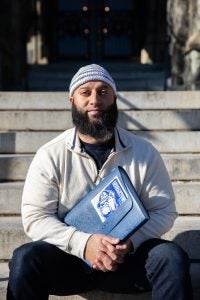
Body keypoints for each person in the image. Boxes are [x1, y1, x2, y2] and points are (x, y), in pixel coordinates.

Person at [7, 64, 193, 300]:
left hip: (126, 262)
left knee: (172, 257)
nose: (95, 100)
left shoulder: (145, 152)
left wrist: (130, 243)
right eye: (85, 92)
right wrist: (84, 244)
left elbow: (163, 211)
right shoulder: (50, 154)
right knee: (25, 259)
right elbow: (35, 217)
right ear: (72, 100)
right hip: (69, 262)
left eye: (103, 92)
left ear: (114, 99)